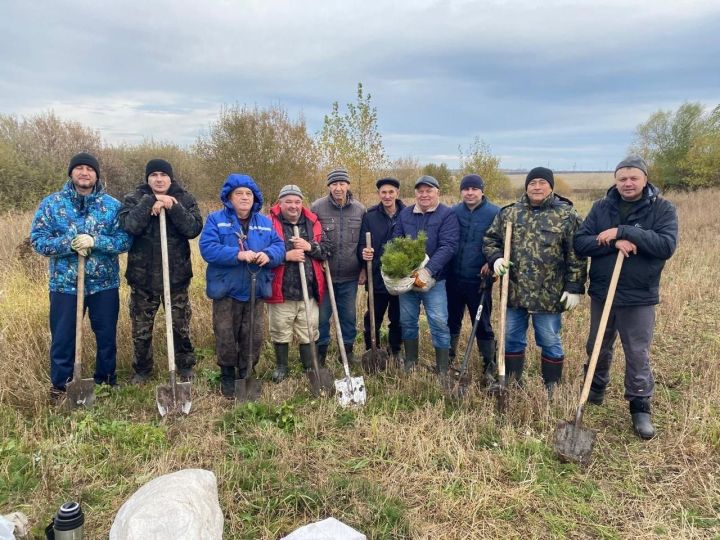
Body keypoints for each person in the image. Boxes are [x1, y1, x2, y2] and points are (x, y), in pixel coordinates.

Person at [574, 156, 678, 439]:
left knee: (636, 352)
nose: (628, 183)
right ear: (615, 180)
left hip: (638, 295)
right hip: (603, 290)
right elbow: (580, 242)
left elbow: (666, 245)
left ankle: (640, 405)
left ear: (645, 179)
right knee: (597, 344)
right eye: (622, 178)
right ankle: (594, 389)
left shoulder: (662, 209)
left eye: (633, 178)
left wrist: (625, 231)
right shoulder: (601, 207)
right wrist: (612, 242)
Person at [31, 152, 132, 402]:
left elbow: (124, 240)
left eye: (90, 169)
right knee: (63, 338)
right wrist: (69, 243)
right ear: (71, 173)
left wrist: (96, 241)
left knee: (106, 335)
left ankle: (106, 381)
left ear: (97, 175)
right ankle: (61, 386)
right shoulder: (52, 204)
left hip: (103, 284)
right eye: (80, 168)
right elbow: (38, 241)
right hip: (65, 285)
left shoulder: (111, 205)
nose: (84, 173)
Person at [483, 166, 586, 396]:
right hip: (514, 292)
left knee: (549, 339)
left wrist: (574, 287)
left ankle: (551, 387)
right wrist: (496, 259)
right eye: (532, 183)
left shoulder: (566, 216)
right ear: (526, 186)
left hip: (548, 294)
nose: (536, 187)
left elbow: (576, 255)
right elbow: (490, 239)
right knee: (511, 338)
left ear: (551, 186)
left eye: (542, 182)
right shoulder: (509, 213)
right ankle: (511, 381)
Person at [199, 174, 285, 398]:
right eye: (239, 193)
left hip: (256, 290)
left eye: (248, 194)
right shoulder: (215, 220)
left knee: (253, 335)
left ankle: (247, 372)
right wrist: (239, 254)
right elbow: (208, 248)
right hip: (226, 289)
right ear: (229, 197)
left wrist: (268, 255)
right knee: (226, 335)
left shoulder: (265, 223)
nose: (244, 197)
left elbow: (279, 246)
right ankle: (228, 374)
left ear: (255, 198)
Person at [118, 159, 203, 384]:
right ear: (147, 178)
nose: (158, 179)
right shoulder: (134, 198)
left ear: (170, 177)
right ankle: (142, 369)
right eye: (154, 174)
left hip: (176, 278)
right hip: (142, 279)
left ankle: (184, 365)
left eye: (163, 175)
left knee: (180, 326)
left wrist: (172, 206)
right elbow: (130, 226)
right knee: (141, 330)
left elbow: (193, 229)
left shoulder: (184, 198)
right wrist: (151, 201)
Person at [393, 175, 459, 376]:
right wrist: (402, 269)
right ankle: (411, 360)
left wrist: (428, 270)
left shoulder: (447, 215)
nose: (424, 194)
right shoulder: (405, 214)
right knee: (407, 320)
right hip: (408, 279)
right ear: (415, 193)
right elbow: (397, 241)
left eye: (429, 190)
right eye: (420, 191)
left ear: (437, 192)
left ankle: (442, 368)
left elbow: (448, 246)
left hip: (435, 280)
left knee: (438, 321)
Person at [267, 185, 331, 382]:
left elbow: (327, 249)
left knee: (309, 329)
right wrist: (286, 255)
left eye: (297, 202)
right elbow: (263, 251)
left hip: (308, 290)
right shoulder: (269, 223)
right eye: (288, 202)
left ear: (301, 203)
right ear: (280, 203)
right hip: (281, 289)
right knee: (280, 329)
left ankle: (309, 365)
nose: (293, 206)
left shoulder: (312, 222)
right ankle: (281, 366)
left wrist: (309, 246)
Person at [446, 174, 500, 381]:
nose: (470, 192)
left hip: (480, 280)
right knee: (451, 321)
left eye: (474, 189)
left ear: (482, 191)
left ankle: (489, 364)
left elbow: (502, 242)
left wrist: (493, 261)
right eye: (466, 189)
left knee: (482, 323)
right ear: (461, 192)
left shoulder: (495, 213)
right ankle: (448, 359)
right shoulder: (453, 212)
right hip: (454, 278)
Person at [311, 168, 365, 365]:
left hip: (350, 276)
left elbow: (362, 243)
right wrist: (317, 263)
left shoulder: (359, 210)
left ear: (348, 185)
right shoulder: (317, 208)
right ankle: (321, 354)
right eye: (334, 184)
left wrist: (362, 270)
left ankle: (348, 352)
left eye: (342, 184)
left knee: (348, 316)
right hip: (325, 276)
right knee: (322, 317)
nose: (338, 188)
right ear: (329, 187)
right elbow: (312, 240)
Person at [358, 177, 406, 364]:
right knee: (373, 316)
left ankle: (395, 350)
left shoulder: (407, 214)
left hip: (400, 277)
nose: (387, 196)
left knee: (397, 317)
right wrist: (364, 254)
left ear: (397, 193)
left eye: (391, 192)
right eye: (383, 192)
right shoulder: (370, 216)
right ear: (379, 194)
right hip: (376, 276)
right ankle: (372, 349)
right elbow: (362, 244)